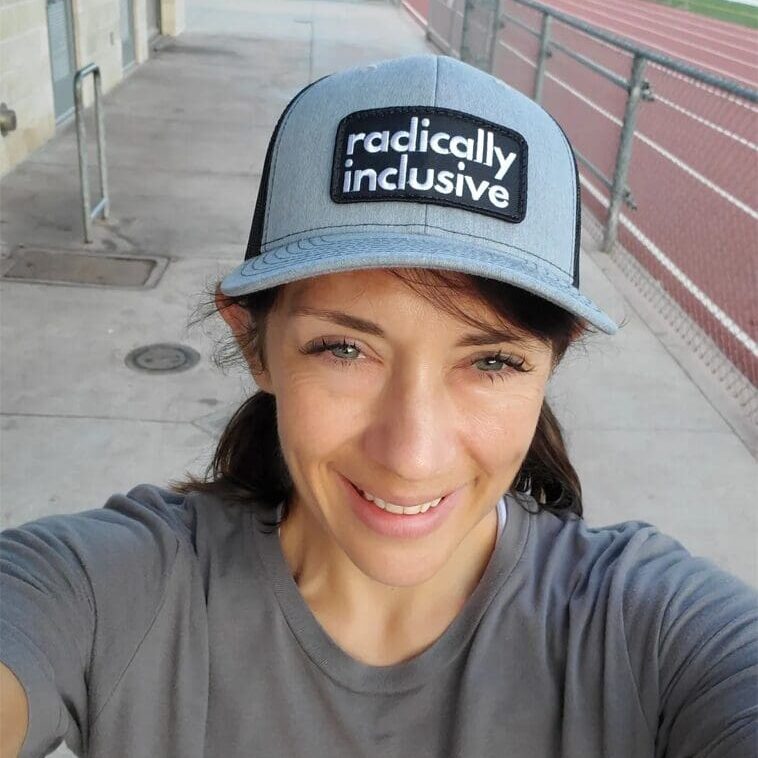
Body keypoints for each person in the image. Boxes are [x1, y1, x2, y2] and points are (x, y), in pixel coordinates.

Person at [0, 54, 756, 758]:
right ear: (256, 345)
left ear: (551, 363)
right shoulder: (107, 589)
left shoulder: (654, 633)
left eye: (491, 361)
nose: (412, 455)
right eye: (344, 349)